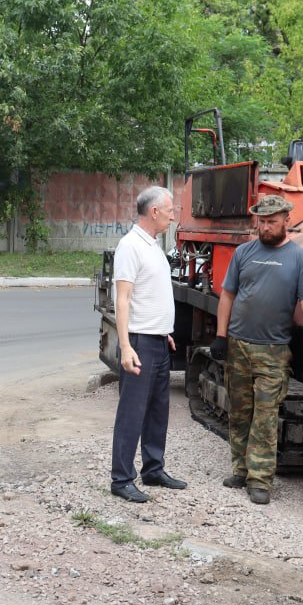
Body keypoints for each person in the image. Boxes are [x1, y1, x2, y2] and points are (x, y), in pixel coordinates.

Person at [209, 194, 303, 505]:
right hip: (238, 345)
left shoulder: (299, 258)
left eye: (273, 221)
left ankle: (260, 479)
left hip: (273, 350)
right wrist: (221, 337)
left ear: (287, 220)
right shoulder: (243, 253)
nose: (266, 226)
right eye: (262, 221)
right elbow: (228, 296)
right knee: (240, 411)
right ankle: (241, 468)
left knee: (266, 415)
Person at [110, 186, 187, 503]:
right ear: (154, 211)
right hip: (139, 343)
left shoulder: (153, 245)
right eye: (169, 209)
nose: (173, 214)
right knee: (132, 412)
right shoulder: (130, 246)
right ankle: (121, 479)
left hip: (157, 339)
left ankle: (153, 469)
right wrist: (126, 346)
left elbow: (151, 293)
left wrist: (163, 330)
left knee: (158, 410)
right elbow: (123, 298)